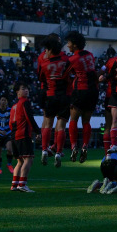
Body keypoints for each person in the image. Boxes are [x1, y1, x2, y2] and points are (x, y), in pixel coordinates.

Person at [65, 31, 98, 164]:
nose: (67, 46)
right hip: (93, 91)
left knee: (73, 119)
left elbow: (67, 74)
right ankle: (85, 145)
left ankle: (73, 146)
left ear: (75, 44)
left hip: (80, 90)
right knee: (86, 121)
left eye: (69, 43)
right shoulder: (90, 55)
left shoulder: (72, 59)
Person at [38, 34, 71, 167]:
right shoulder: (65, 58)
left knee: (47, 123)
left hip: (49, 93)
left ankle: (44, 149)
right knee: (61, 125)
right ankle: (58, 152)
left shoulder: (43, 60)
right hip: (64, 95)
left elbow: (40, 77)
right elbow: (70, 75)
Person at [10, 83, 41, 192]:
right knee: (29, 159)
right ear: (17, 92)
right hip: (23, 135)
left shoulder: (14, 106)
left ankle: (14, 185)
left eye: (27, 88)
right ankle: (22, 184)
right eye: (23, 88)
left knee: (20, 161)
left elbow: (11, 123)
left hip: (14, 136)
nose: (26, 90)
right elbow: (29, 117)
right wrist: (37, 131)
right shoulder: (25, 102)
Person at [0, 96, 14, 175]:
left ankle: (9, 164)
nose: (3, 101)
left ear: (7, 102)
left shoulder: (10, 110)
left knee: (9, 149)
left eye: (5, 100)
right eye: (2, 100)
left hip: (7, 133)